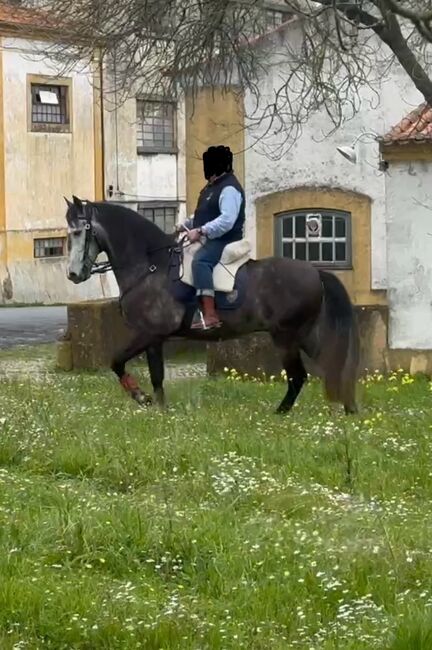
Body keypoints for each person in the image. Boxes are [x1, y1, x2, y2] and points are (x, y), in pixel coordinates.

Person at [177, 145, 245, 330]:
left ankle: (210, 315)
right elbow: (204, 214)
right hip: (210, 236)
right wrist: (187, 224)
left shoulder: (229, 188)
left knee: (200, 261)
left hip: (225, 238)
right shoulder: (211, 187)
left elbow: (227, 220)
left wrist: (200, 231)